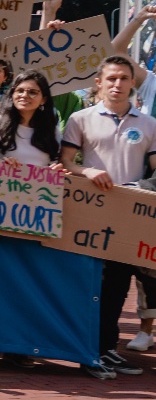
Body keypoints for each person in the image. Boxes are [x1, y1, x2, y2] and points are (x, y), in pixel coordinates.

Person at [60, 56, 156, 379]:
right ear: (98, 82)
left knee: (117, 286)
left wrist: (136, 187)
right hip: (88, 214)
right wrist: (87, 170)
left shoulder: (148, 124)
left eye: (124, 79)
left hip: (127, 217)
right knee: (88, 283)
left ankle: (107, 349)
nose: (117, 84)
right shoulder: (80, 118)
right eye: (111, 78)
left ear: (132, 83)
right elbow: (66, 162)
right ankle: (86, 348)